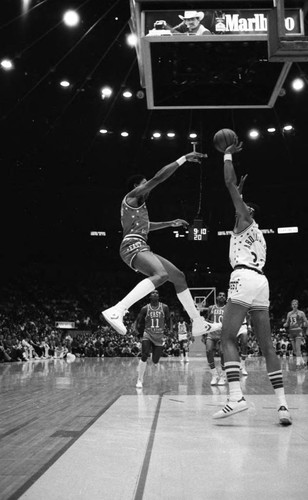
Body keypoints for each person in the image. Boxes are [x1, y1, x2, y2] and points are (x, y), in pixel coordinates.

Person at [213, 140, 292, 425]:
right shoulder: (259, 235)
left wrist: (227, 155)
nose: (239, 207)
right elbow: (239, 202)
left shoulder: (244, 218)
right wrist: (241, 194)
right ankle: (283, 406)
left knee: (226, 338)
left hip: (244, 277)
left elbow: (228, 182)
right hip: (262, 282)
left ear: (248, 211)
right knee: (267, 345)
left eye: (243, 206)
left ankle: (235, 398)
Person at [102, 151, 221, 338]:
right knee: (161, 275)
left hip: (140, 244)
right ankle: (118, 310)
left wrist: (169, 223)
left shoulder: (138, 208)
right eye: (144, 183)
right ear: (136, 186)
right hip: (132, 245)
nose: (148, 186)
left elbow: (146, 226)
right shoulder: (131, 197)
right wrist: (183, 159)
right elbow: (158, 178)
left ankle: (198, 322)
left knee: (179, 277)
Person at [135, 290, 171, 388]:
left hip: (159, 336)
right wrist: (138, 333)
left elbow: (168, 320)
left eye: (157, 293)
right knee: (144, 354)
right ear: (150, 296)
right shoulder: (145, 308)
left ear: (159, 296)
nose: (155, 294)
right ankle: (140, 379)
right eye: (152, 293)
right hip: (148, 334)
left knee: (155, 360)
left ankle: (151, 356)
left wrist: (170, 331)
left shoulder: (164, 307)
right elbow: (138, 321)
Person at [206, 291, 227, 386]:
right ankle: (214, 374)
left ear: (225, 298)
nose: (222, 296)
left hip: (223, 334)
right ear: (217, 297)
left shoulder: (228, 308)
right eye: (220, 295)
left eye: (223, 295)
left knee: (222, 353)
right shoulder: (211, 308)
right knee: (208, 350)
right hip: (212, 333)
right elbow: (207, 320)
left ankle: (223, 375)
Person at [283, 299, 307, 369]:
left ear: (297, 305)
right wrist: (285, 324)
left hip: (298, 331)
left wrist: (305, 326)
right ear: (291, 305)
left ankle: (298, 364)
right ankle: (303, 363)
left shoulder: (301, 313)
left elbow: (306, 321)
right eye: (293, 304)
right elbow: (287, 323)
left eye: (295, 304)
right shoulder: (289, 313)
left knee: (298, 348)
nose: (294, 305)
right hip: (291, 331)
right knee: (294, 350)